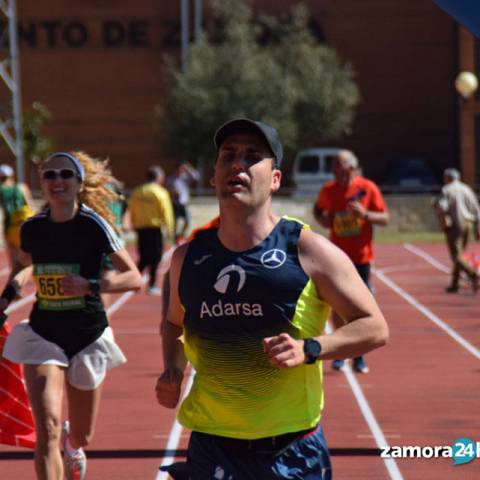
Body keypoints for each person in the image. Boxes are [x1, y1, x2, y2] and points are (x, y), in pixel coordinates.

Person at [156, 118, 389, 479]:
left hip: (291, 448)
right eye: (228, 156)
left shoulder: (308, 250)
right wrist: (172, 368)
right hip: (211, 444)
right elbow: (173, 323)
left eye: (252, 157)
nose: (237, 164)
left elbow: (374, 327)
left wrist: (311, 348)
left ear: (275, 179)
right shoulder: (187, 258)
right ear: (214, 176)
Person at [0, 151, 142, 480]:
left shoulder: (93, 225)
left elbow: (133, 277)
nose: (57, 181)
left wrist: (89, 284)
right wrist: (7, 296)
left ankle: (72, 442)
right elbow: (25, 265)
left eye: (65, 174)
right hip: (43, 333)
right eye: (50, 175)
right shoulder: (33, 228)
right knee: (45, 427)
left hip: (87, 335)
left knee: (83, 435)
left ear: (78, 183)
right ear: (42, 184)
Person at [313, 149, 389, 374]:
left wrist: (365, 215)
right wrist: (323, 219)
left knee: (362, 310)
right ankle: (341, 353)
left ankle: (359, 356)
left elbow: (385, 218)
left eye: (341, 168)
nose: (337, 172)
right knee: (337, 307)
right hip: (336, 258)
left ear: (352, 169)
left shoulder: (368, 188)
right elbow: (318, 210)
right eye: (334, 168)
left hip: (361, 258)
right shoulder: (328, 190)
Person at [432, 167, 480, 293]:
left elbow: (443, 207)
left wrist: (435, 204)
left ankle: (473, 274)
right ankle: (455, 284)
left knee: (456, 256)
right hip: (468, 223)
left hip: (455, 224)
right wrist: (477, 226)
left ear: (448, 178)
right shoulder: (466, 189)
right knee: (460, 254)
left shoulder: (447, 189)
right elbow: (476, 207)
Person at [128, 166, 174, 295]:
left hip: (141, 229)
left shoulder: (137, 192)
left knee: (143, 258)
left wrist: (133, 223)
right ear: (159, 177)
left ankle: (133, 283)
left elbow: (132, 209)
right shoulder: (160, 192)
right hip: (155, 230)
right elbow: (166, 211)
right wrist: (170, 228)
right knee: (155, 258)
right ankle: (152, 285)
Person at [0, 164, 36, 267]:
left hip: (9, 226)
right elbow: (30, 205)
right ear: (12, 175)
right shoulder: (22, 187)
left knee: (15, 262)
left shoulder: (1, 190)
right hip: (24, 225)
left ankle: (16, 281)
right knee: (29, 259)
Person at [166, 162, 200, 242]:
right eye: (178, 169)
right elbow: (167, 190)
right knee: (175, 223)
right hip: (174, 203)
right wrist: (172, 192)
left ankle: (180, 235)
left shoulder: (185, 178)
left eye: (181, 169)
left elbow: (197, 177)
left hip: (184, 203)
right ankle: (175, 238)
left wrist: (188, 168)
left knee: (187, 221)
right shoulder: (171, 179)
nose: (179, 171)